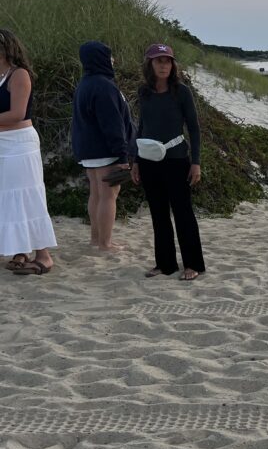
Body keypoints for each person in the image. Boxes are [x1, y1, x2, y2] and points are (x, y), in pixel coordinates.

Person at [130, 43, 206, 281]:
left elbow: (193, 128)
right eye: (158, 61)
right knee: (158, 214)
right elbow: (142, 126)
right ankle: (165, 264)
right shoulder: (144, 91)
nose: (163, 65)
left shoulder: (181, 91)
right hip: (149, 161)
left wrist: (196, 162)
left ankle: (193, 264)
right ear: (150, 64)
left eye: (167, 61)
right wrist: (136, 161)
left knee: (183, 213)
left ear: (173, 65)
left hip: (176, 160)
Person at [0, 28, 58, 275]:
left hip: (19, 144)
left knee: (26, 196)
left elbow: (17, 114)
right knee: (7, 197)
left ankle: (43, 256)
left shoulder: (19, 75)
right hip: (3, 142)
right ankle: (18, 249)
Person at [71, 41, 134, 251]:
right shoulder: (104, 86)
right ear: (100, 59)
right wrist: (122, 156)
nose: (112, 60)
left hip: (89, 150)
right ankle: (105, 243)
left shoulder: (84, 84)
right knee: (108, 195)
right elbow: (113, 124)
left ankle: (96, 239)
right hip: (106, 150)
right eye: (109, 56)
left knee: (96, 194)